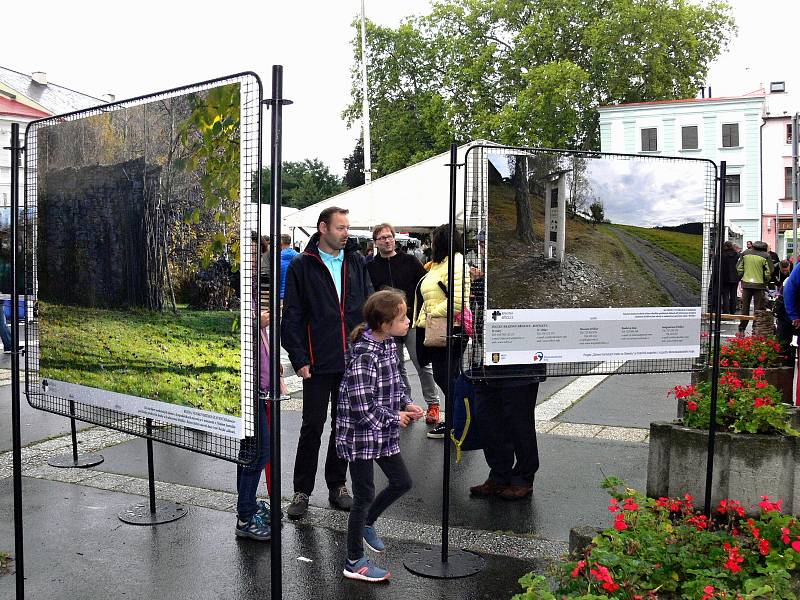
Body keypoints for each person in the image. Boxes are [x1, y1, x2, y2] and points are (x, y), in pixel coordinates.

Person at [281, 206, 374, 519]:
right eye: (340, 227)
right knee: (312, 425)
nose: (346, 233)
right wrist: (299, 357)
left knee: (343, 426)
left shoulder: (356, 262)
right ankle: (302, 491)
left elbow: (369, 305)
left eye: (347, 227)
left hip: (351, 357)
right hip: (318, 359)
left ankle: (337, 485)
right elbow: (292, 315)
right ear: (323, 228)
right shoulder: (301, 265)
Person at [336, 289, 423, 582]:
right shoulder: (364, 355)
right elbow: (363, 407)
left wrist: (405, 402)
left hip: (381, 433)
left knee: (402, 482)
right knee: (363, 495)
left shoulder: (387, 345)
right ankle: (353, 561)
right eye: (402, 318)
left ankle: (368, 522)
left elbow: (395, 381)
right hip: (360, 436)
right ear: (384, 324)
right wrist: (394, 417)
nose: (408, 321)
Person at [366, 223, 441, 425]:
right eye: (382, 238)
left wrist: (422, 312)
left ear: (394, 239)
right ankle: (405, 404)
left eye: (389, 236)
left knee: (422, 364)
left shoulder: (409, 261)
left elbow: (425, 285)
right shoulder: (371, 267)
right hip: (387, 325)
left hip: (412, 321)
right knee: (395, 366)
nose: (387, 240)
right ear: (376, 242)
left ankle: (433, 404)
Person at [414, 224, 470, 440]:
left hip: (447, 330)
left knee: (445, 376)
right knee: (449, 376)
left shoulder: (455, 263)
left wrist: (430, 314)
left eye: (434, 238)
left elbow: (457, 301)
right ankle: (459, 421)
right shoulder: (442, 264)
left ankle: (459, 422)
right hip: (441, 329)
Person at [469, 376, 542, 501]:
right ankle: (499, 476)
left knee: (519, 424)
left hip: (520, 372)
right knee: (488, 420)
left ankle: (523, 479)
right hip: (485, 371)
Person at [736, 240, 773, 335]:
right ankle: (756, 329)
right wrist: (765, 281)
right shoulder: (766, 256)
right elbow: (769, 272)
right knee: (758, 308)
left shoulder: (745, 253)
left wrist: (742, 277)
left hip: (746, 284)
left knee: (745, 307)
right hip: (759, 285)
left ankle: (742, 328)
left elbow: (739, 268)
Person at [720, 240, 741, 315]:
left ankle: (726, 311)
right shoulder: (737, 255)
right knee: (733, 295)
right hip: (735, 277)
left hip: (725, 277)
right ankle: (733, 311)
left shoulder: (722, 255)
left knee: (725, 295)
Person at [279, 233, 299, 301]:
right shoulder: (299, 257)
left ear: (280, 243)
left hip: (280, 294)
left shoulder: (277, 259)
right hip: (295, 294)